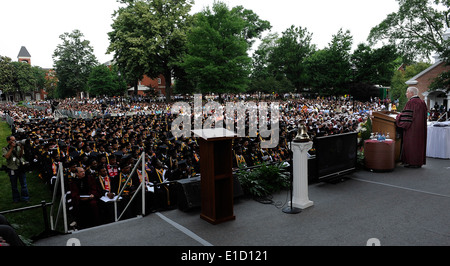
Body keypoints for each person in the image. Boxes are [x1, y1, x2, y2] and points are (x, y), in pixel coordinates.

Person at [395, 87, 427, 168]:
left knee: (411, 144)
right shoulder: (422, 102)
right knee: (419, 144)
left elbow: (407, 116)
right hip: (421, 128)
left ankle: (411, 162)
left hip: (412, 129)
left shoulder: (411, 103)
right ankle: (418, 162)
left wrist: (398, 116)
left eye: (407, 92)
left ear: (411, 93)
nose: (406, 94)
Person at [2, 136, 30, 203]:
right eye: (13, 140)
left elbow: (20, 156)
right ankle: (16, 199)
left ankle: (25, 198)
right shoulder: (5, 148)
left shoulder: (18, 146)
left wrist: (22, 148)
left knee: (24, 184)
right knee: (14, 186)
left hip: (20, 167)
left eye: (15, 140)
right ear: (8, 141)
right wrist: (11, 148)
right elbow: (7, 156)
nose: (15, 141)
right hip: (12, 168)